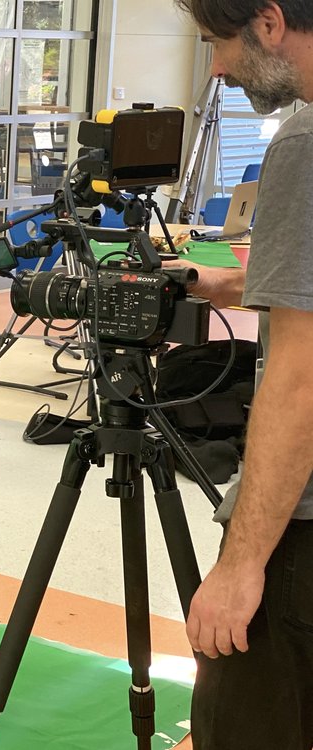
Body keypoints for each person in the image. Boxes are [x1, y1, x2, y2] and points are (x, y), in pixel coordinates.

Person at [171, 2, 313, 748]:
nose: (217, 70)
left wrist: (241, 564)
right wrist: (236, 284)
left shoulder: (303, 140)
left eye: (215, 44)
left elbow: (300, 378)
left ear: (268, 22)